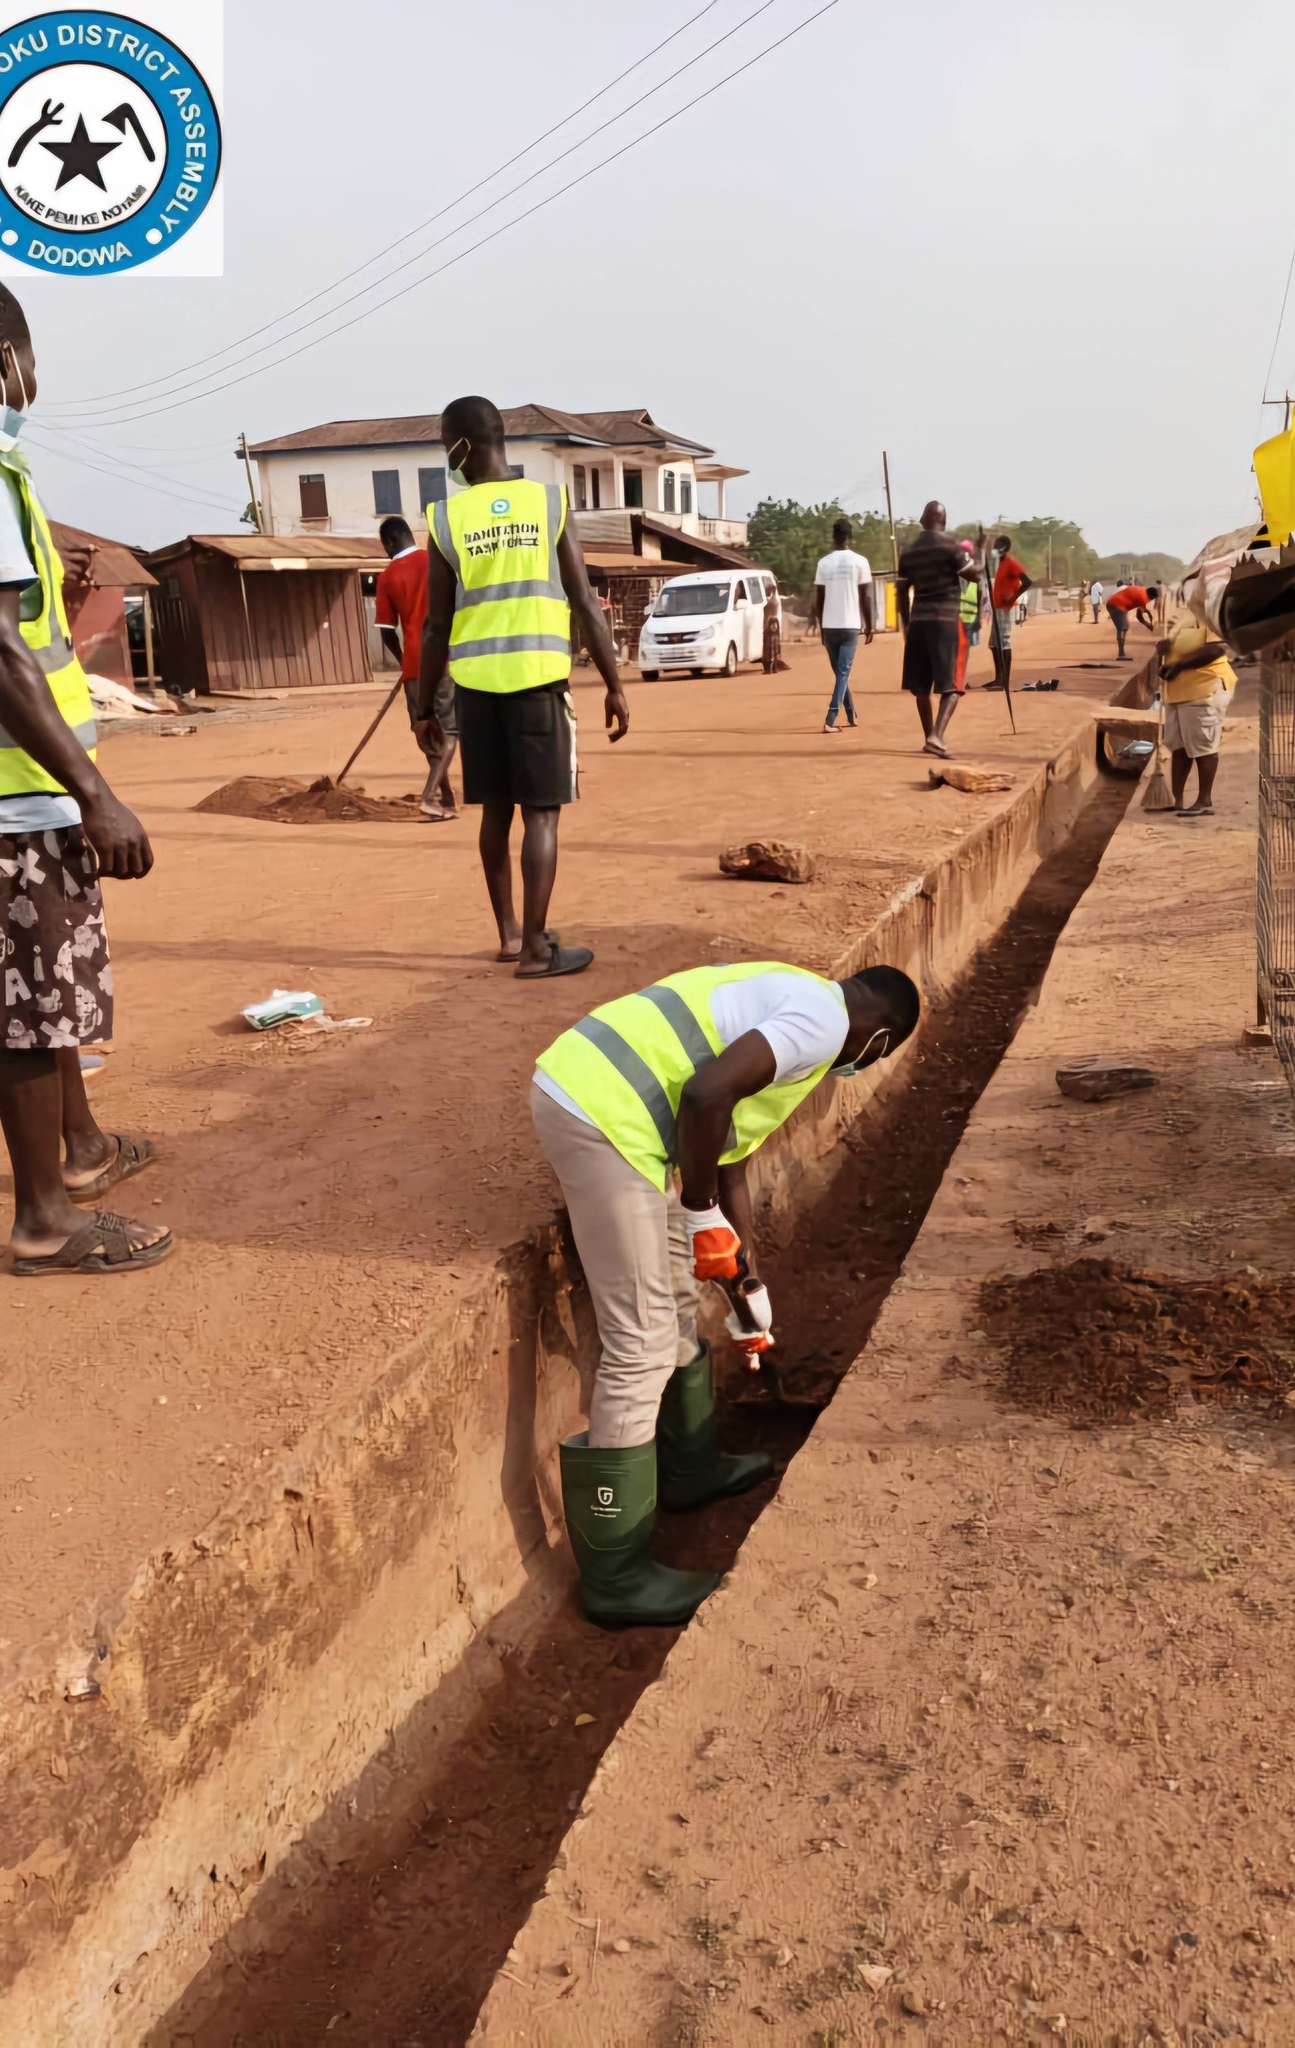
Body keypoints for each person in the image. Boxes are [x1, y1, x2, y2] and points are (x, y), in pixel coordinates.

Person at [531, 958, 922, 1626]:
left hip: (607, 1096)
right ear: (878, 1042)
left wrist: (746, 1282)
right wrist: (700, 1205)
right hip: (604, 1115)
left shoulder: (793, 995)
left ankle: (689, 1468)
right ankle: (616, 1578)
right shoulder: (821, 1025)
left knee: (681, 1301)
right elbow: (705, 1096)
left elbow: (728, 1153)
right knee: (642, 1346)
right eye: (871, 1059)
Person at [0, 276, 169, 1275]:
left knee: (25, 990)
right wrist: (94, 791)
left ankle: (78, 1151)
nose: (36, 383)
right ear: (3, 360)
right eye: (31, 365)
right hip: (6, 796)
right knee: (34, 1002)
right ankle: (45, 1217)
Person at [418, 395, 630, 979]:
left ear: (462, 443)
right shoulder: (547, 503)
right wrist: (614, 685)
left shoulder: (446, 518)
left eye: (444, 443)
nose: (446, 454)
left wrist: (421, 707)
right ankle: (538, 950)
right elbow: (584, 600)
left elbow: (437, 624)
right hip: (539, 684)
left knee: (495, 814)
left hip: (477, 689)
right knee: (542, 815)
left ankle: (513, 935)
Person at [375, 514, 456, 820]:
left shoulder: (387, 577)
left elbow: (386, 631)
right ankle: (436, 796)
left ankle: (440, 797)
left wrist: (404, 660)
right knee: (449, 731)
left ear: (391, 541)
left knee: (428, 733)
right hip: (446, 662)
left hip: (414, 669)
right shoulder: (438, 563)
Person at [897, 501, 975, 756]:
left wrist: (906, 625)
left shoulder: (908, 553)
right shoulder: (951, 547)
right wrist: (982, 555)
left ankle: (929, 736)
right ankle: (937, 737)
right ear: (943, 520)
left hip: (918, 623)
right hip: (945, 623)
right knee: (953, 686)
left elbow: (901, 590)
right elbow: (974, 574)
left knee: (921, 687)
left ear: (922, 520)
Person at [1157, 602, 1237, 817]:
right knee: (1180, 746)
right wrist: (1165, 650)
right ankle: (1177, 799)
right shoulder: (1184, 615)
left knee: (1203, 745)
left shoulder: (1212, 614)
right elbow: (1177, 648)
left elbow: (1217, 648)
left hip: (1205, 688)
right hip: (1178, 691)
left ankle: (1204, 800)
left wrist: (1179, 665)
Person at [812, 517, 874, 730]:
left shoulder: (823, 563)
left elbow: (818, 599)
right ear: (850, 537)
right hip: (850, 625)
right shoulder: (860, 562)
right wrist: (871, 625)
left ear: (834, 537)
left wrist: (820, 626)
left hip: (829, 626)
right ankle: (830, 718)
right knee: (843, 672)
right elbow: (866, 596)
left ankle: (850, 714)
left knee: (841, 672)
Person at [986, 534, 1033, 693]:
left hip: (1006, 610)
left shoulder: (1011, 563)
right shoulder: (1001, 563)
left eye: (996, 546)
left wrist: (1013, 597)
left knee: (1003, 643)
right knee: (993, 644)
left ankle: (1003, 679)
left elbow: (1027, 581)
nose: (993, 548)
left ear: (1003, 548)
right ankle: (999, 677)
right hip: (997, 609)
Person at [1106, 582, 1155, 661]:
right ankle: (1121, 654)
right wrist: (1148, 625)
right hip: (1116, 605)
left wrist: (1149, 621)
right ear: (1151, 597)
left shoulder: (1142, 589)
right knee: (1122, 628)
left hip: (1115, 604)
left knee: (1124, 627)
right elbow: (1139, 617)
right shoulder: (1143, 598)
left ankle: (1121, 653)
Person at [956, 539, 981, 691]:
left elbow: (979, 597)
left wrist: (978, 619)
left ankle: (958, 680)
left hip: (967, 618)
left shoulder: (973, 576)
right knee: (960, 652)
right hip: (960, 618)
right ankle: (957, 680)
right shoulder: (958, 573)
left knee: (960, 652)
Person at [760, 577, 785, 675]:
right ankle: (774, 668)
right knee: (774, 647)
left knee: (769, 648)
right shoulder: (775, 600)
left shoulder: (772, 601)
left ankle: (769, 669)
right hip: (774, 625)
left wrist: (765, 625)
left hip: (770, 624)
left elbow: (768, 614)